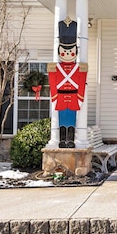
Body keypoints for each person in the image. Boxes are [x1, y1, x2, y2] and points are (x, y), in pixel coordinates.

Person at [48, 18, 87, 148]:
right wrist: (54, 97)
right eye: (65, 51)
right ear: (60, 51)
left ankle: (70, 140)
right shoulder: (55, 68)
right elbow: (53, 83)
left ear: (75, 51)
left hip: (74, 96)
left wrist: (80, 97)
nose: (68, 54)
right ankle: (61, 140)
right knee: (62, 120)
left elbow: (81, 83)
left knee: (71, 120)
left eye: (70, 51)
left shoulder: (79, 68)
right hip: (61, 96)